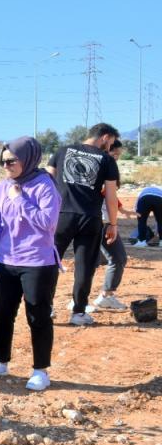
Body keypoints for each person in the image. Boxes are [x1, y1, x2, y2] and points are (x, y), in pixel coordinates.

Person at [0, 137, 62, 391]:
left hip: (38, 262)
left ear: (28, 159)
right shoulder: (4, 187)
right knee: (2, 314)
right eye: (2, 161)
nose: (6, 166)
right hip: (6, 261)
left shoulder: (45, 185)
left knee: (37, 315)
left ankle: (40, 370)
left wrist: (21, 200)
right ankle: (0, 362)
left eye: (11, 161)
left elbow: (48, 223)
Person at [46, 123, 121, 326]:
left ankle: (45, 309)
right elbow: (111, 197)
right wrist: (113, 224)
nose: (110, 146)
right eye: (111, 142)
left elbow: (46, 181)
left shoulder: (62, 151)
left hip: (60, 216)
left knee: (50, 262)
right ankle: (78, 313)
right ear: (105, 137)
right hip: (90, 217)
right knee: (85, 267)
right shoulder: (106, 160)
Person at [84, 141, 132, 312]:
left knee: (90, 262)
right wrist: (114, 221)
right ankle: (104, 296)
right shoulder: (102, 168)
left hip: (96, 220)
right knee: (117, 259)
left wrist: (122, 209)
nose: (117, 158)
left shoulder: (99, 167)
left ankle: (82, 301)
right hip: (102, 222)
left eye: (119, 155)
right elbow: (106, 193)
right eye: (115, 154)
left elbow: (110, 195)